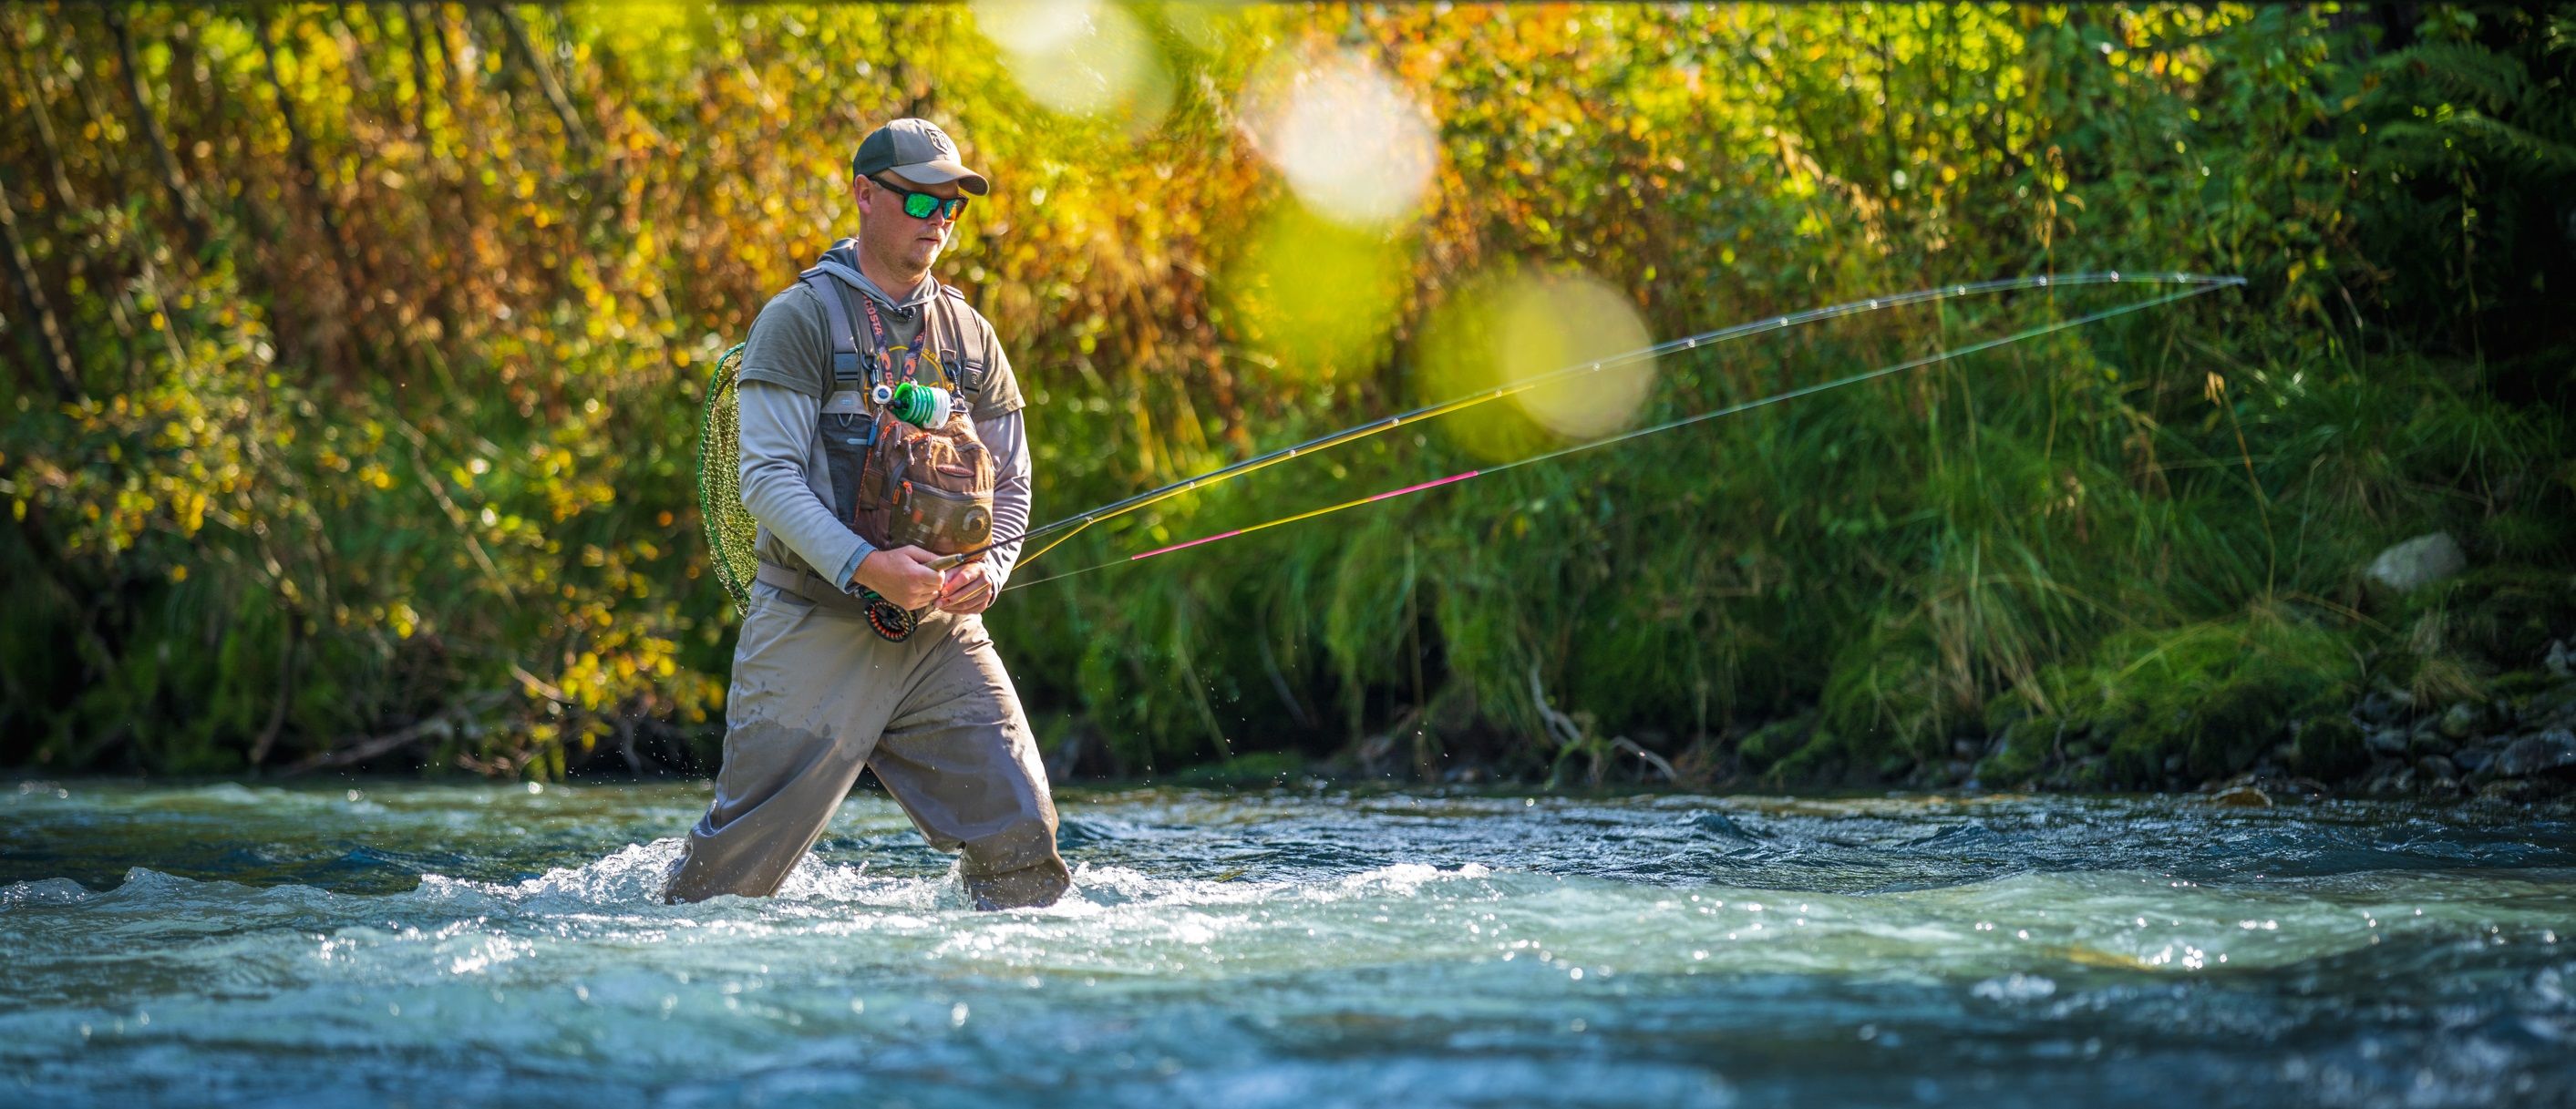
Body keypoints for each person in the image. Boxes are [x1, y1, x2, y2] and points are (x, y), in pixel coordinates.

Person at [663, 119, 1069, 909]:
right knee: (725, 891)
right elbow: (768, 480)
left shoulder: (970, 335)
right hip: (812, 629)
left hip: (941, 638)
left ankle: (998, 1017)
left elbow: (1013, 482)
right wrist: (868, 565)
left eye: (952, 205)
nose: (937, 219)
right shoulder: (798, 319)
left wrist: (991, 567)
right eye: (919, 197)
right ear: (864, 195)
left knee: (1023, 845)